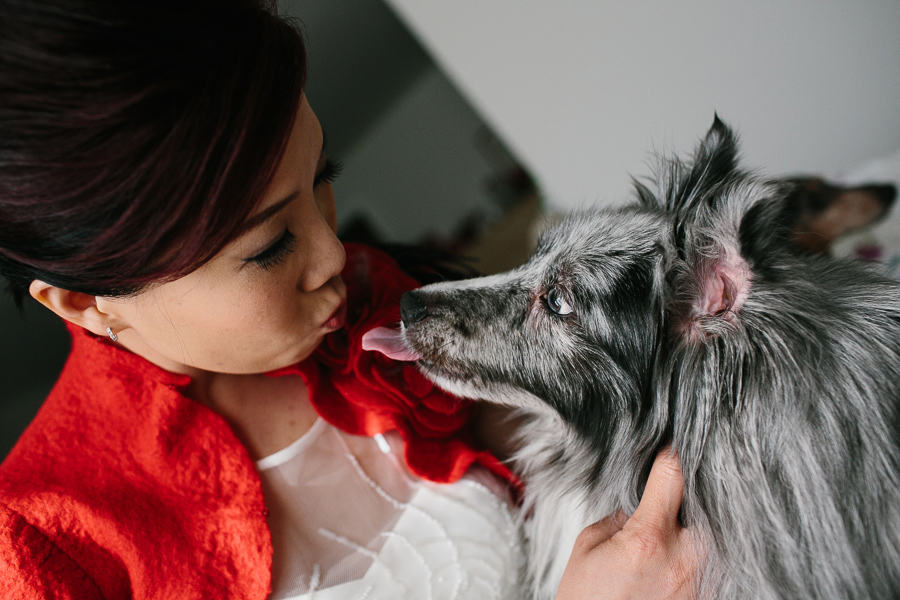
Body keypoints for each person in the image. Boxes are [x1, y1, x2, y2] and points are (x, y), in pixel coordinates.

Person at [0, 0, 699, 598]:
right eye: (270, 246)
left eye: (322, 175)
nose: (336, 254)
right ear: (84, 304)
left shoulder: (366, 298)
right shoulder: (44, 542)